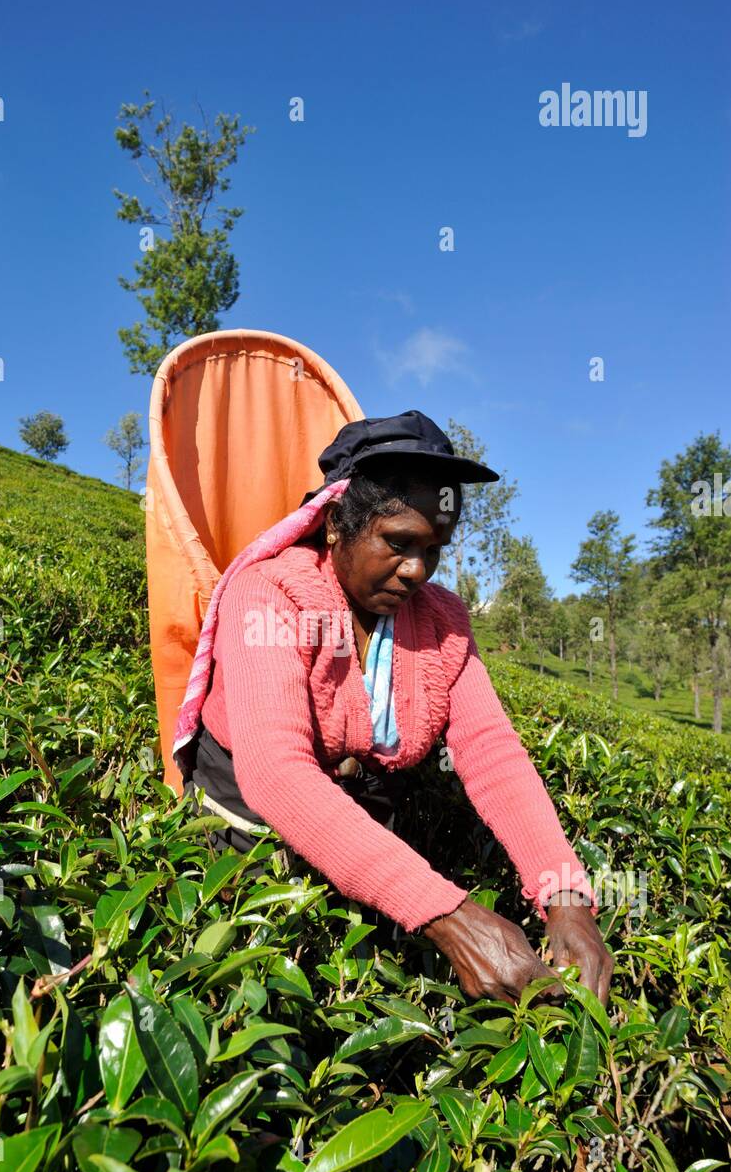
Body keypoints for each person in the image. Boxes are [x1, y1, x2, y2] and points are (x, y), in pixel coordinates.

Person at [174, 410, 614, 1006]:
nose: (416, 571)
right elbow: (276, 774)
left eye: (434, 549)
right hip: (243, 844)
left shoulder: (442, 621)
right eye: (398, 543)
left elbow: (493, 756)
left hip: (366, 842)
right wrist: (450, 916)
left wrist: (567, 901)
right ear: (335, 524)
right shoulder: (270, 595)